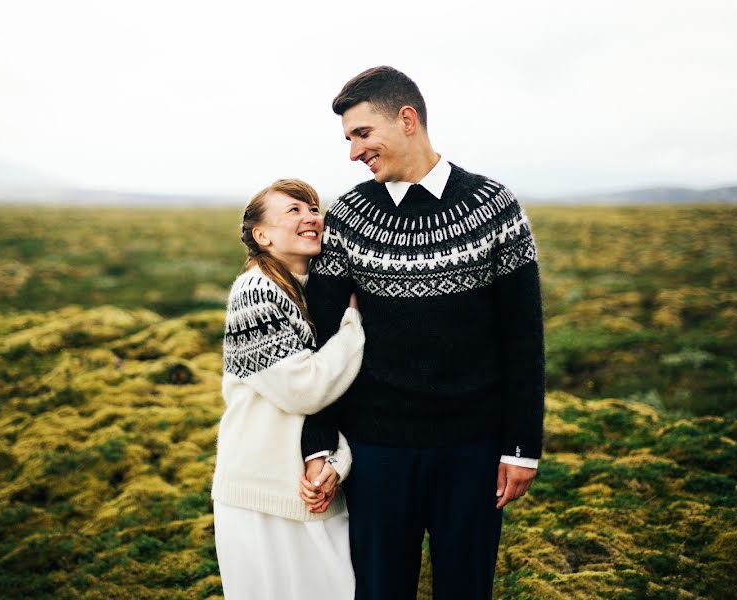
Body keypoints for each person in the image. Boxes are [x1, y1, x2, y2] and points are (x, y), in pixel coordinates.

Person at [299, 66, 546, 599]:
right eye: (347, 139)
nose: (353, 152)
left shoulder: (494, 206)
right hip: (376, 447)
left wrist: (522, 446)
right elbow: (320, 337)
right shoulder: (346, 217)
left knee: (466, 588)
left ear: (407, 119)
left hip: (473, 448)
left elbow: (523, 337)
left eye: (362, 134)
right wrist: (318, 444)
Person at [210, 178, 364, 599]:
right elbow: (306, 390)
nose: (310, 217)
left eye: (313, 208)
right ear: (262, 235)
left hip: (310, 491)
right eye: (292, 210)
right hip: (262, 497)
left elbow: (337, 401)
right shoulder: (256, 292)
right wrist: (354, 327)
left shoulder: (309, 293)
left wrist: (336, 461)